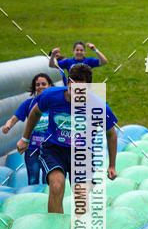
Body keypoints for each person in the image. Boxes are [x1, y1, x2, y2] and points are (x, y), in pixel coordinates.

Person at [16, 64, 118, 214]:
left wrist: (112, 165)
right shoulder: (51, 95)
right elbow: (35, 113)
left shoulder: (98, 106)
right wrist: (25, 138)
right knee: (57, 185)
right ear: (68, 83)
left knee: (81, 193)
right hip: (54, 149)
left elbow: (111, 134)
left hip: (82, 152)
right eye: (72, 85)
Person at [1, 73, 53, 185]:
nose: (40, 86)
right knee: (33, 179)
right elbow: (14, 118)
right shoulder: (29, 104)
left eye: (44, 84)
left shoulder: (54, 104)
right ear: (34, 87)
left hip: (50, 149)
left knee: (47, 180)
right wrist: (8, 126)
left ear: (49, 86)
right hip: (32, 149)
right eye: (37, 84)